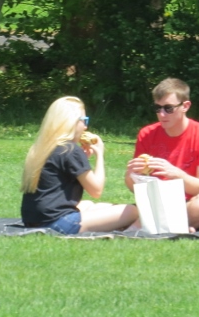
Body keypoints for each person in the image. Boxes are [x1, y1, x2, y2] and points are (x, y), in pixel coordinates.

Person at [21, 96, 138, 234]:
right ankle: (128, 232)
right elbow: (96, 190)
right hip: (57, 223)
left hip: (34, 220)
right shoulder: (70, 150)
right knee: (133, 211)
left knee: (88, 205)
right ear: (71, 123)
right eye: (84, 120)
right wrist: (100, 155)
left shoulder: (43, 148)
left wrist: (83, 161)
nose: (86, 126)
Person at [125, 78, 199, 231]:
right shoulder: (147, 134)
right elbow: (134, 188)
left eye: (168, 108)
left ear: (185, 106)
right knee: (121, 211)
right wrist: (131, 175)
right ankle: (178, 227)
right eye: (158, 108)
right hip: (156, 204)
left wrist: (176, 174)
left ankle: (151, 226)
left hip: (189, 204)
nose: (162, 114)